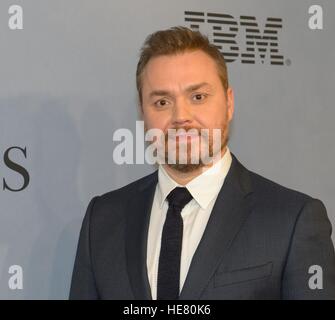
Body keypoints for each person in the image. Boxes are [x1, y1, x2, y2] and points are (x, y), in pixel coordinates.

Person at [69, 26, 335, 299]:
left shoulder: (293, 220)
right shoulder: (103, 220)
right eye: (162, 102)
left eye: (198, 97)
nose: (181, 116)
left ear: (229, 104)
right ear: (143, 112)